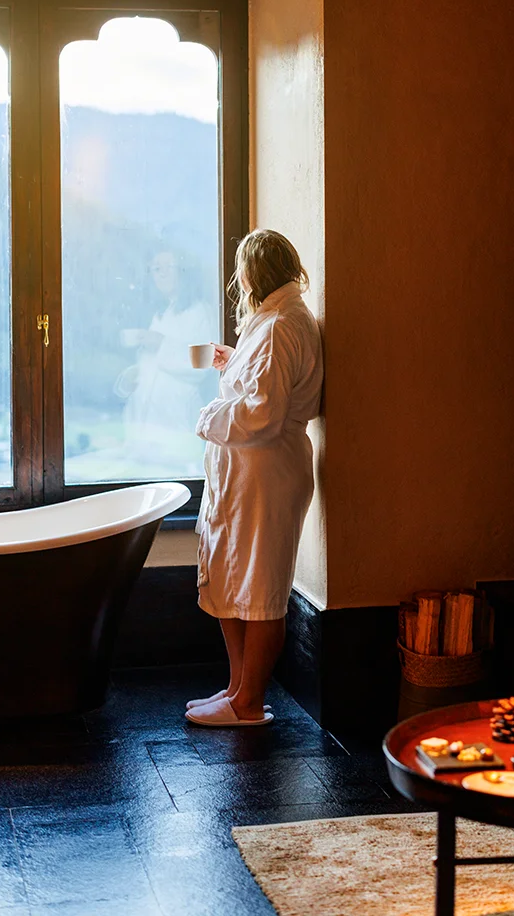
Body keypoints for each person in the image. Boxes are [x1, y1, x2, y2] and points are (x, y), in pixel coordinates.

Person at [185, 229, 323, 727]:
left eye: (240, 269)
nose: (238, 279)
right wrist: (234, 361)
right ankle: (237, 689)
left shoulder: (281, 325)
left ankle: (248, 702)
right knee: (233, 576)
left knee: (260, 588)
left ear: (252, 272)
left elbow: (263, 413)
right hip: (249, 474)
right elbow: (262, 383)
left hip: (265, 475)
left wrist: (207, 417)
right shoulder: (274, 319)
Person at [118, 245, 216, 474]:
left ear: (182, 271)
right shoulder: (161, 313)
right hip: (147, 428)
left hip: (176, 423)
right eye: (156, 268)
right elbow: (150, 368)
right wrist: (133, 376)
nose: (161, 274)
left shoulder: (199, 313)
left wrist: (161, 343)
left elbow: (202, 365)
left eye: (168, 267)